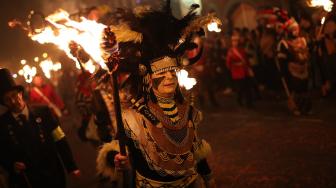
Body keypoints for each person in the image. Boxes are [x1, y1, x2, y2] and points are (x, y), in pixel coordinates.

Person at [96, 2, 217, 187]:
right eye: (161, 73)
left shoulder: (186, 110)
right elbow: (115, 149)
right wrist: (118, 158)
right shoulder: (133, 118)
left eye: (172, 72)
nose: (169, 77)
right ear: (148, 78)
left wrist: (208, 177)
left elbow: (194, 149)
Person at [0, 68, 80, 188]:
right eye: (7, 99)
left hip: (53, 172)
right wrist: (11, 164)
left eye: (14, 95)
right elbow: (2, 152)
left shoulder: (44, 112)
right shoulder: (2, 124)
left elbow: (59, 138)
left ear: (20, 93)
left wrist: (71, 166)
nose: (13, 101)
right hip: (29, 179)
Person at [277, 18, 311, 115]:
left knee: (304, 89)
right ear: (289, 31)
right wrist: (282, 72)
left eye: (297, 29)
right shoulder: (284, 43)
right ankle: (295, 107)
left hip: (303, 68)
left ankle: (306, 107)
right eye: (293, 29)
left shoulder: (303, 40)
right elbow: (281, 59)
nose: (296, 31)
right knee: (295, 90)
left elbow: (308, 52)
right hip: (292, 70)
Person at [226, 34, 255, 108]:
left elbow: (246, 60)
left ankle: (249, 103)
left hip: (245, 71)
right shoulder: (231, 51)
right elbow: (228, 63)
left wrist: (249, 69)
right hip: (237, 72)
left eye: (236, 41)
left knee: (247, 87)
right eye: (234, 41)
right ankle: (240, 100)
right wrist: (236, 65)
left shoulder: (242, 50)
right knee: (241, 88)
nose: (235, 42)